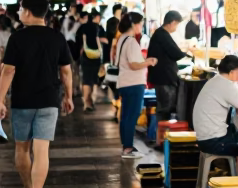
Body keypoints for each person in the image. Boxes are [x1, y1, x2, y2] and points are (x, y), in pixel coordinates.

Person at [0, 0, 74, 188]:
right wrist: (68, 96)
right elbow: (66, 71)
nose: (19, 12)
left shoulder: (17, 38)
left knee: (22, 148)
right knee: (42, 151)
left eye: (20, 8)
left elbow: (8, 70)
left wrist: (0, 101)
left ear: (28, 12)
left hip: (23, 101)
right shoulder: (57, 38)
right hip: (49, 100)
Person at [113, 11, 154, 157]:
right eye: (140, 24)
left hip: (125, 82)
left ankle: (126, 145)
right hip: (133, 83)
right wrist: (149, 62)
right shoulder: (130, 41)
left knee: (126, 116)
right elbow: (134, 64)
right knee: (132, 115)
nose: (141, 27)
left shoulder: (122, 39)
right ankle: (128, 148)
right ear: (133, 24)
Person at [193, 54, 238, 159]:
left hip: (204, 138)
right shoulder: (226, 85)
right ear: (233, 72)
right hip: (213, 141)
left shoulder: (216, 80)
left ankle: (228, 170)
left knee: (236, 131)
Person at [148, 10, 189, 120]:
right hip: (164, 79)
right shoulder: (162, 35)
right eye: (177, 24)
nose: (176, 28)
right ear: (172, 23)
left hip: (163, 78)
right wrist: (187, 53)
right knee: (165, 109)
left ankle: (161, 133)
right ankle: (161, 135)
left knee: (165, 108)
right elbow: (175, 53)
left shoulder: (161, 34)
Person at [76, 10, 108, 111]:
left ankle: (86, 103)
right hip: (96, 56)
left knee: (86, 79)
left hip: (85, 56)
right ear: (96, 17)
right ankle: (92, 101)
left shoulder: (83, 27)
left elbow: (77, 41)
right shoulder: (99, 27)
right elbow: (106, 41)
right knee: (94, 79)